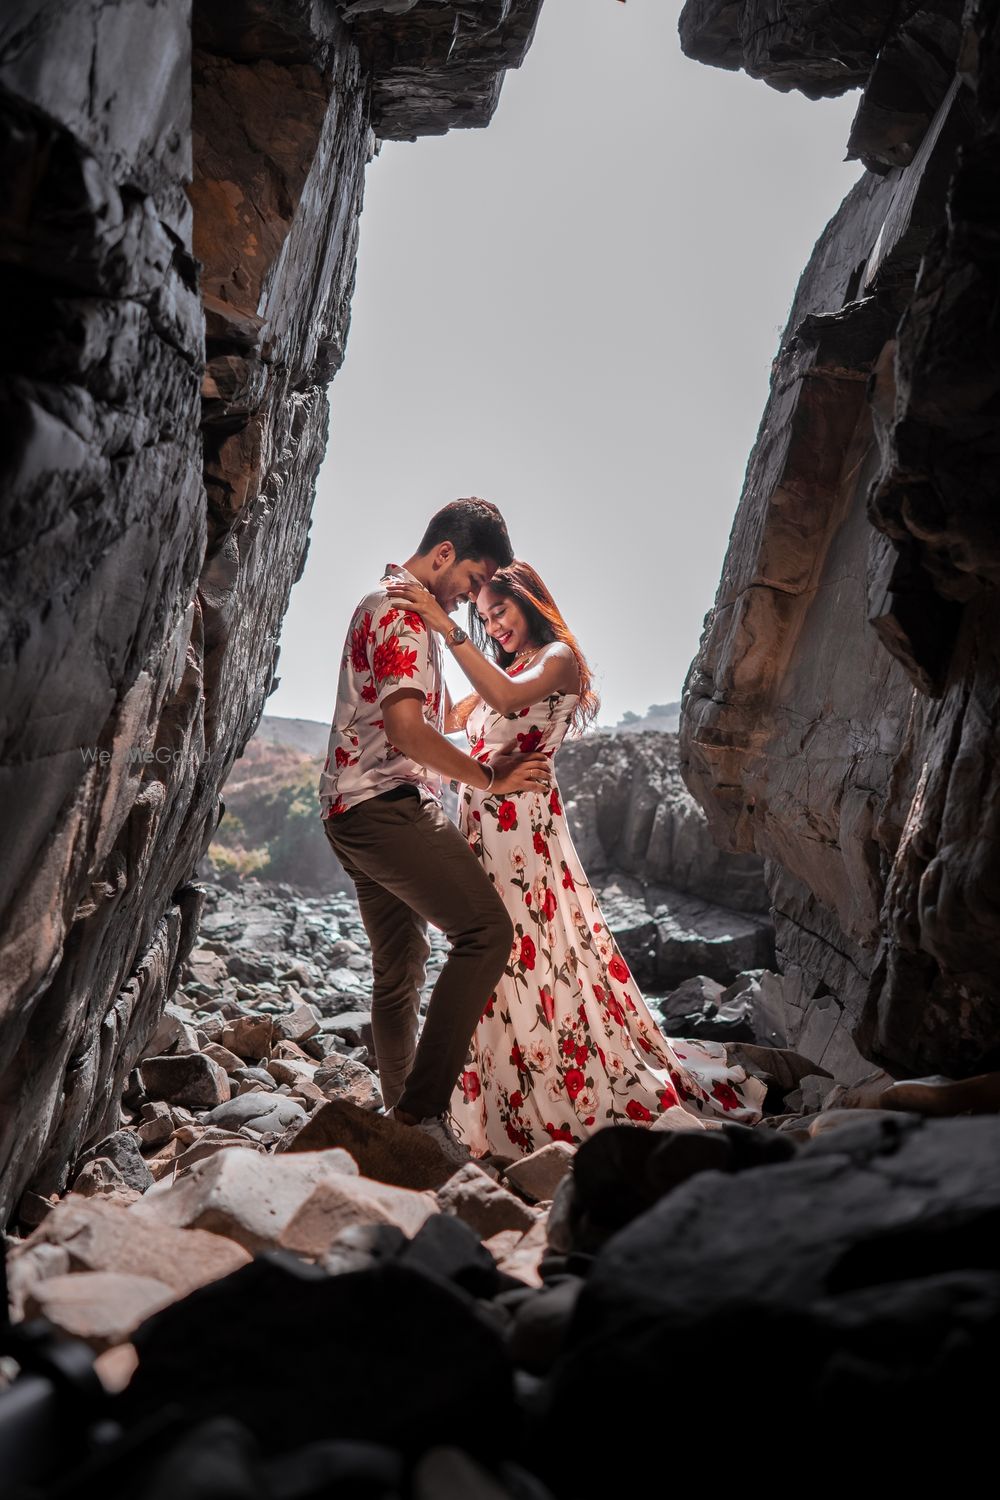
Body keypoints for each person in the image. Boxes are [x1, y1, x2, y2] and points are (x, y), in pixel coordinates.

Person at [383, 560, 769, 1158]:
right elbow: (483, 718)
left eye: (500, 612)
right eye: (483, 618)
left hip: (520, 835)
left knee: (518, 954)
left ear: (530, 603)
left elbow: (507, 698)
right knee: (487, 954)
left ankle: (542, 1087)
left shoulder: (556, 657)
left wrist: (443, 623)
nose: (493, 626)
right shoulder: (506, 668)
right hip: (483, 827)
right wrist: (458, 713)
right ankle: (492, 1094)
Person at [318, 501, 553, 1164]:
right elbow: (406, 731)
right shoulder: (401, 613)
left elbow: (414, 728)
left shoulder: (390, 605)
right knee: (486, 933)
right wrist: (491, 778)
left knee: (399, 971)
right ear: (445, 555)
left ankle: (402, 1122)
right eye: (476, 581)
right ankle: (422, 1112)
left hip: (349, 810)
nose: (477, 598)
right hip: (387, 808)